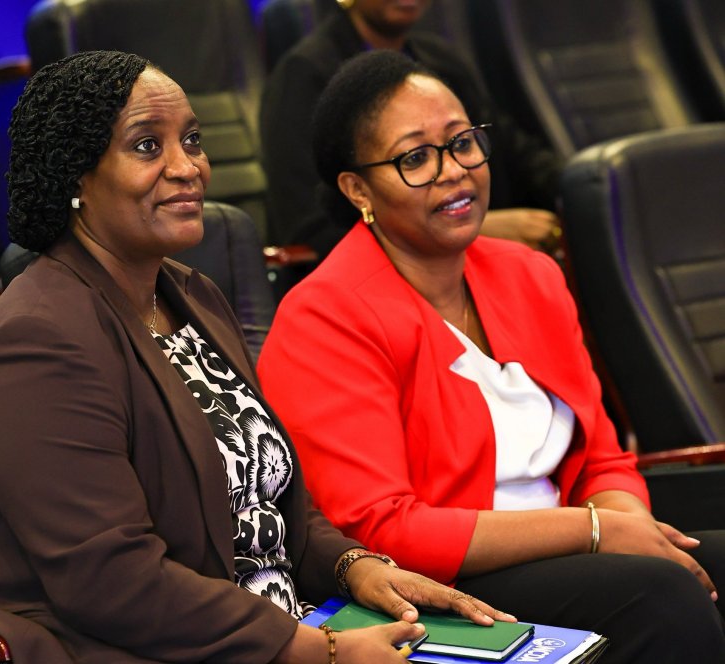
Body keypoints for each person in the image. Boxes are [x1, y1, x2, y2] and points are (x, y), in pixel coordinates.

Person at [0, 50, 515, 663]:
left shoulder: (190, 294)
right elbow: (110, 582)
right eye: (147, 146)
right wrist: (321, 652)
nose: (189, 167)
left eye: (192, 140)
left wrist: (357, 568)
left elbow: (267, 504)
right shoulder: (35, 341)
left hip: (270, 632)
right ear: (75, 177)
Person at [256, 49, 725, 662]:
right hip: (441, 583)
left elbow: (602, 458)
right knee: (662, 598)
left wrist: (626, 522)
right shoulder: (324, 315)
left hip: (574, 546)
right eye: (415, 158)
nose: (453, 171)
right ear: (357, 189)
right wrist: (594, 530)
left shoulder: (529, 274)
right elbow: (380, 526)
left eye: (462, 143)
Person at [259, 0, 563, 260]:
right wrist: (473, 224)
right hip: (368, 282)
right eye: (415, 158)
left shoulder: (441, 60)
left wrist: (581, 186)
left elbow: (516, 151)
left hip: (470, 265)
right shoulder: (303, 74)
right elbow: (310, 226)